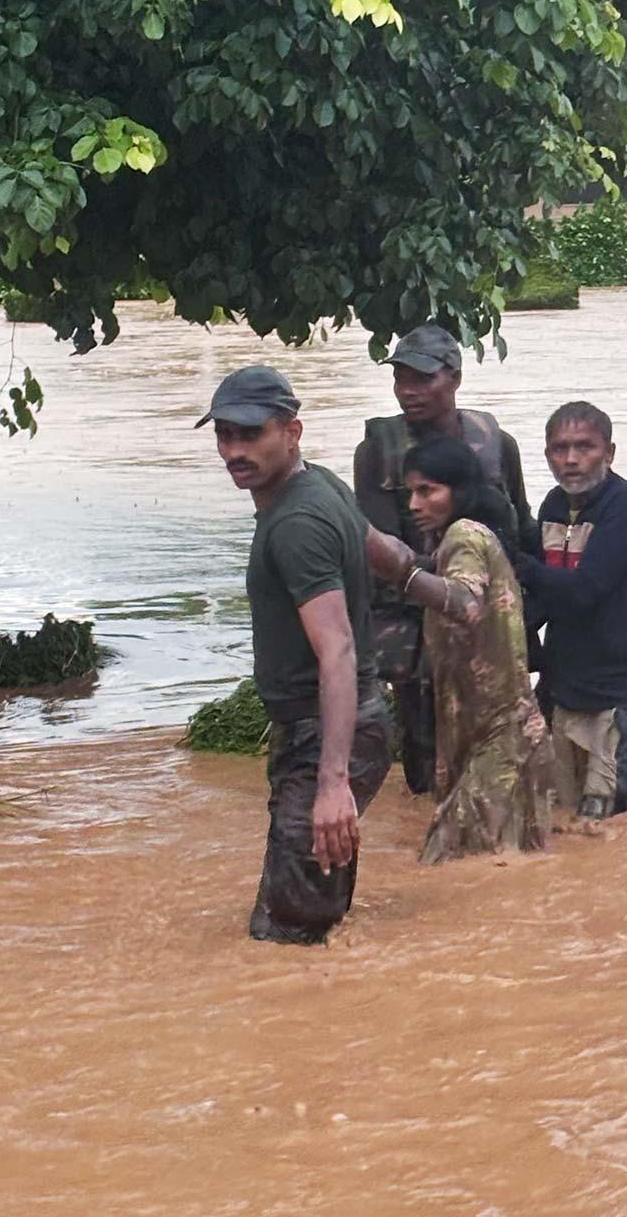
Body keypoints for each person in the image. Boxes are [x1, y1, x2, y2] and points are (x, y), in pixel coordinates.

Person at [198, 365, 391, 944]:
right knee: (316, 918)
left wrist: (333, 783)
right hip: (346, 728)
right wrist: (450, 598)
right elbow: (384, 550)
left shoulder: (296, 523)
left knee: (286, 939)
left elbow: (336, 651)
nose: (234, 449)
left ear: (292, 430)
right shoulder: (322, 485)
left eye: (249, 434)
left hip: (328, 737)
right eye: (224, 435)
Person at [353, 323, 537, 796]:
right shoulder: (378, 452)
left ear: (454, 378)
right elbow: (380, 548)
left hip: (488, 623)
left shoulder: (497, 443)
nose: (408, 392)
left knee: (499, 749)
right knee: (425, 764)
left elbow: (520, 528)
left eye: (422, 379)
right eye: (401, 380)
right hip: (416, 625)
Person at [365, 437, 551, 863]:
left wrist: (400, 572)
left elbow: (464, 601)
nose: (413, 503)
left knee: (448, 868)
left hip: (500, 743)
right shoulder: (463, 539)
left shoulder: (463, 535)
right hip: (498, 739)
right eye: (410, 491)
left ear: (459, 492)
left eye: (427, 491)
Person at [511, 402, 627, 820]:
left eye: (585, 447)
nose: (572, 460)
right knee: (562, 818)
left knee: (606, 823)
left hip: (622, 694)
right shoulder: (553, 508)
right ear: (547, 456)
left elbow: (584, 591)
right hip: (566, 690)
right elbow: (546, 600)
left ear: (609, 452)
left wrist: (519, 564)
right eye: (560, 449)